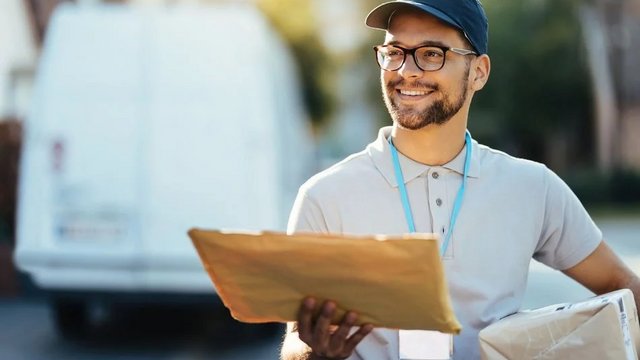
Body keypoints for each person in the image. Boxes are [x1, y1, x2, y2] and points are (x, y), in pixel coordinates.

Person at [280, 0, 640, 359]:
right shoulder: (325, 197)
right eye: (394, 52)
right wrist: (315, 352)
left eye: (431, 54)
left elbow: (623, 287)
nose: (407, 70)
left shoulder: (532, 188)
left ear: (479, 72)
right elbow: (295, 342)